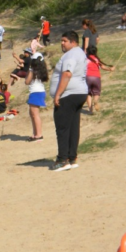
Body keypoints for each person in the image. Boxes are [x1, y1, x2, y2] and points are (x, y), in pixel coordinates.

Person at [50, 31, 88, 171]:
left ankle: (62, 160)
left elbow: (67, 74)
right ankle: (72, 158)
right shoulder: (80, 53)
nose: (62, 43)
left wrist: (58, 94)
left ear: (73, 42)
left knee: (63, 127)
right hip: (79, 93)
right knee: (73, 127)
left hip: (69, 94)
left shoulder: (71, 54)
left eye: (64, 41)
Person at [85, 45, 115, 114]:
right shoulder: (96, 59)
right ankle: (95, 101)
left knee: (88, 93)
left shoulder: (85, 59)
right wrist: (110, 69)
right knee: (96, 92)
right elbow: (103, 67)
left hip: (88, 77)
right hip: (96, 77)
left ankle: (90, 109)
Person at [27, 56, 49, 142]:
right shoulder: (40, 71)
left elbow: (27, 81)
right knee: (33, 114)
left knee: (35, 114)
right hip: (38, 92)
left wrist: (29, 70)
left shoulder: (32, 71)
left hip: (35, 92)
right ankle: (35, 133)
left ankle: (39, 135)